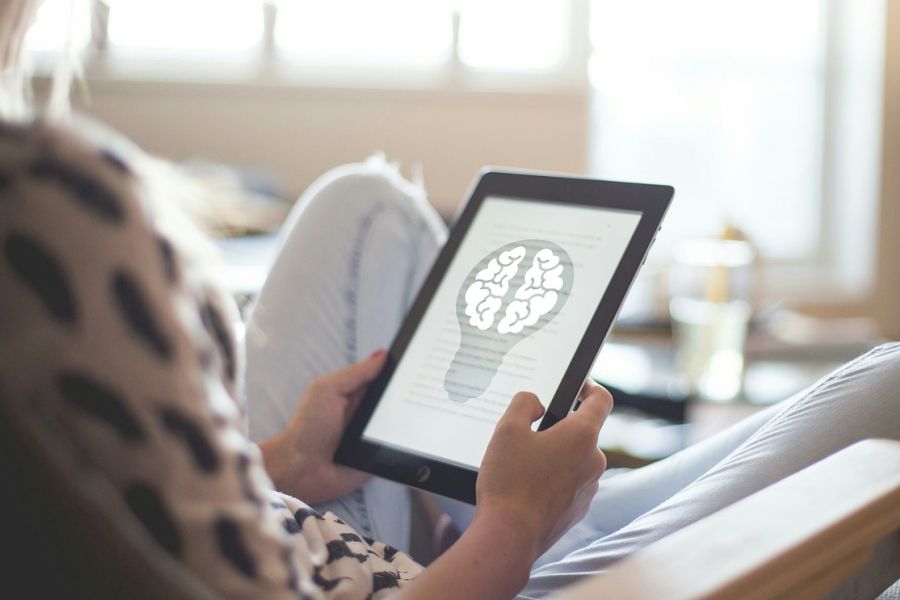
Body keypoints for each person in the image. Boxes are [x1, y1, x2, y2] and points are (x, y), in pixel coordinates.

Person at [1, 2, 899, 598]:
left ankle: (523, 505)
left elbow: (142, 512)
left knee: (366, 205)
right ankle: (539, 520)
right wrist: (510, 530)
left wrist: (280, 462)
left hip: (314, 525)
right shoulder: (46, 201)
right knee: (892, 388)